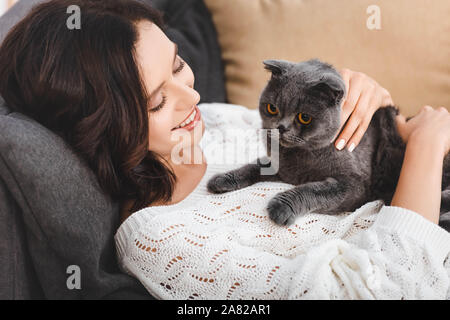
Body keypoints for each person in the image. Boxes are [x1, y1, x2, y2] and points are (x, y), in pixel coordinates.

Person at [0, 0, 449, 299]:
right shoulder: (159, 240)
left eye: (178, 65)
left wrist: (375, 111)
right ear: (103, 131)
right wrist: (425, 151)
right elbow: (379, 290)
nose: (190, 97)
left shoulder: (209, 121)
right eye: (158, 100)